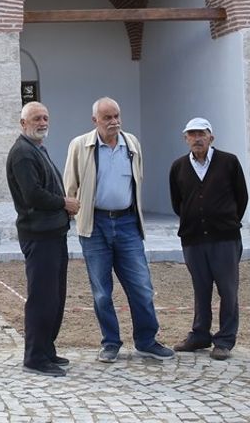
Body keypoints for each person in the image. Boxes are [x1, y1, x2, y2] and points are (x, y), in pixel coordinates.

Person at [63, 97, 175, 363]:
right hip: (95, 225)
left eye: (116, 116)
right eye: (107, 118)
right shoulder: (81, 145)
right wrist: (74, 218)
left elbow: (139, 178)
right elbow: (71, 185)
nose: (114, 122)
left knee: (141, 286)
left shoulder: (132, 144)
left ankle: (146, 341)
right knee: (102, 291)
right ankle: (110, 342)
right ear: (95, 121)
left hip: (127, 224)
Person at [6, 102, 80, 377]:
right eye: (36, 118)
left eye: (46, 117)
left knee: (55, 297)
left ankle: (47, 349)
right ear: (23, 123)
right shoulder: (23, 153)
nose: (42, 122)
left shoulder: (37, 148)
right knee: (42, 298)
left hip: (53, 232)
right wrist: (64, 203)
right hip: (39, 235)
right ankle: (35, 357)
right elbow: (32, 195)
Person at [168, 117, 248, 361]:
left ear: (211, 137)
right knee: (200, 289)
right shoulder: (178, 167)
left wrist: (225, 220)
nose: (197, 138)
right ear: (185, 139)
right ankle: (200, 334)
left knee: (228, 290)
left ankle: (224, 339)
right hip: (193, 239)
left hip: (224, 237)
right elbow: (177, 203)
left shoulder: (229, 162)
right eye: (191, 134)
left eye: (201, 133)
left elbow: (241, 197)